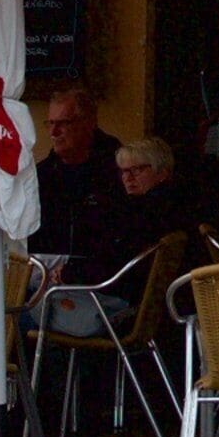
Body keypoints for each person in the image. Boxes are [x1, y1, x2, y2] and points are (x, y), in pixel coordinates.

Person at [47, 138, 197, 335]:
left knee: (30, 299)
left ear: (162, 172)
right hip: (159, 307)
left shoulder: (144, 213)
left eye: (137, 170)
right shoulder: (177, 205)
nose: (128, 178)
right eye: (123, 171)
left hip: (125, 306)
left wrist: (69, 273)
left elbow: (113, 266)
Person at [29, 81, 122, 260]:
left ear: (89, 123)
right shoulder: (42, 174)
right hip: (44, 270)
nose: (53, 132)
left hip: (96, 276)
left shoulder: (118, 169)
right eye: (50, 123)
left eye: (63, 123)